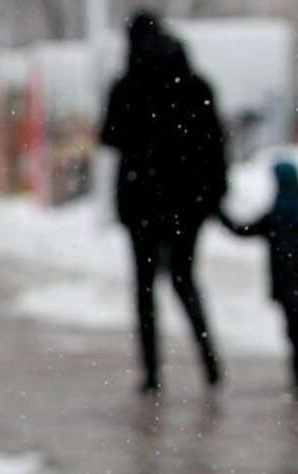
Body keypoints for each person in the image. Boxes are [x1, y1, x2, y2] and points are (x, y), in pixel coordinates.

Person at [100, 11, 228, 394]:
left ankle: (152, 373)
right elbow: (215, 144)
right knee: (185, 280)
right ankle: (209, 361)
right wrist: (214, 193)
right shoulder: (195, 84)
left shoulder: (126, 86)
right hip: (187, 202)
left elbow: (109, 137)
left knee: (145, 289)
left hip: (142, 203)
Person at [219, 161, 298, 394]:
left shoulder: (277, 216)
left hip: (289, 286)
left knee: (294, 331)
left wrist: (217, 211)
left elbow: (242, 231)